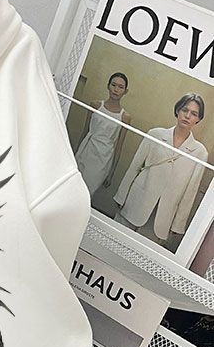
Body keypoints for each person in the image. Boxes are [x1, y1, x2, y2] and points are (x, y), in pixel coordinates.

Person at [113, 93, 209, 245]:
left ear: (198, 119)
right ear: (177, 110)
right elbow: (135, 167)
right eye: (185, 110)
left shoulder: (200, 152)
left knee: (140, 253)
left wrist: (177, 224)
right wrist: (121, 196)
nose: (187, 116)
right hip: (136, 202)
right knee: (114, 240)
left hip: (162, 216)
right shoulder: (155, 134)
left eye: (194, 114)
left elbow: (190, 192)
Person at [74, 72, 131, 195]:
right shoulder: (95, 105)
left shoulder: (125, 117)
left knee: (88, 192)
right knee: (74, 187)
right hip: (86, 150)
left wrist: (111, 173)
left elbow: (119, 147)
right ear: (108, 86)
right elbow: (85, 131)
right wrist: (75, 154)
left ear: (125, 91)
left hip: (104, 158)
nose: (116, 90)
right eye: (113, 85)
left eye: (120, 87)